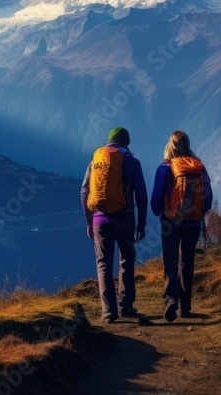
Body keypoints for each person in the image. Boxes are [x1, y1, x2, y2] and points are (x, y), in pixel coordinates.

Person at [81, 126, 148, 323]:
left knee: (103, 263)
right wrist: (142, 224)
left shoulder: (96, 161)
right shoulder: (133, 162)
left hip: (99, 219)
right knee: (126, 259)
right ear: (126, 143)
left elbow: (84, 191)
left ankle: (108, 311)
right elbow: (141, 196)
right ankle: (126, 305)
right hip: (124, 218)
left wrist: (88, 221)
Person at [151, 130, 213, 322]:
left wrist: (161, 212)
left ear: (170, 146)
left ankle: (171, 300)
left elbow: (156, 198)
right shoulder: (199, 166)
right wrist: (199, 213)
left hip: (171, 221)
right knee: (187, 260)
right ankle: (185, 306)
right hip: (193, 221)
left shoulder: (165, 166)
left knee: (170, 260)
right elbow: (208, 195)